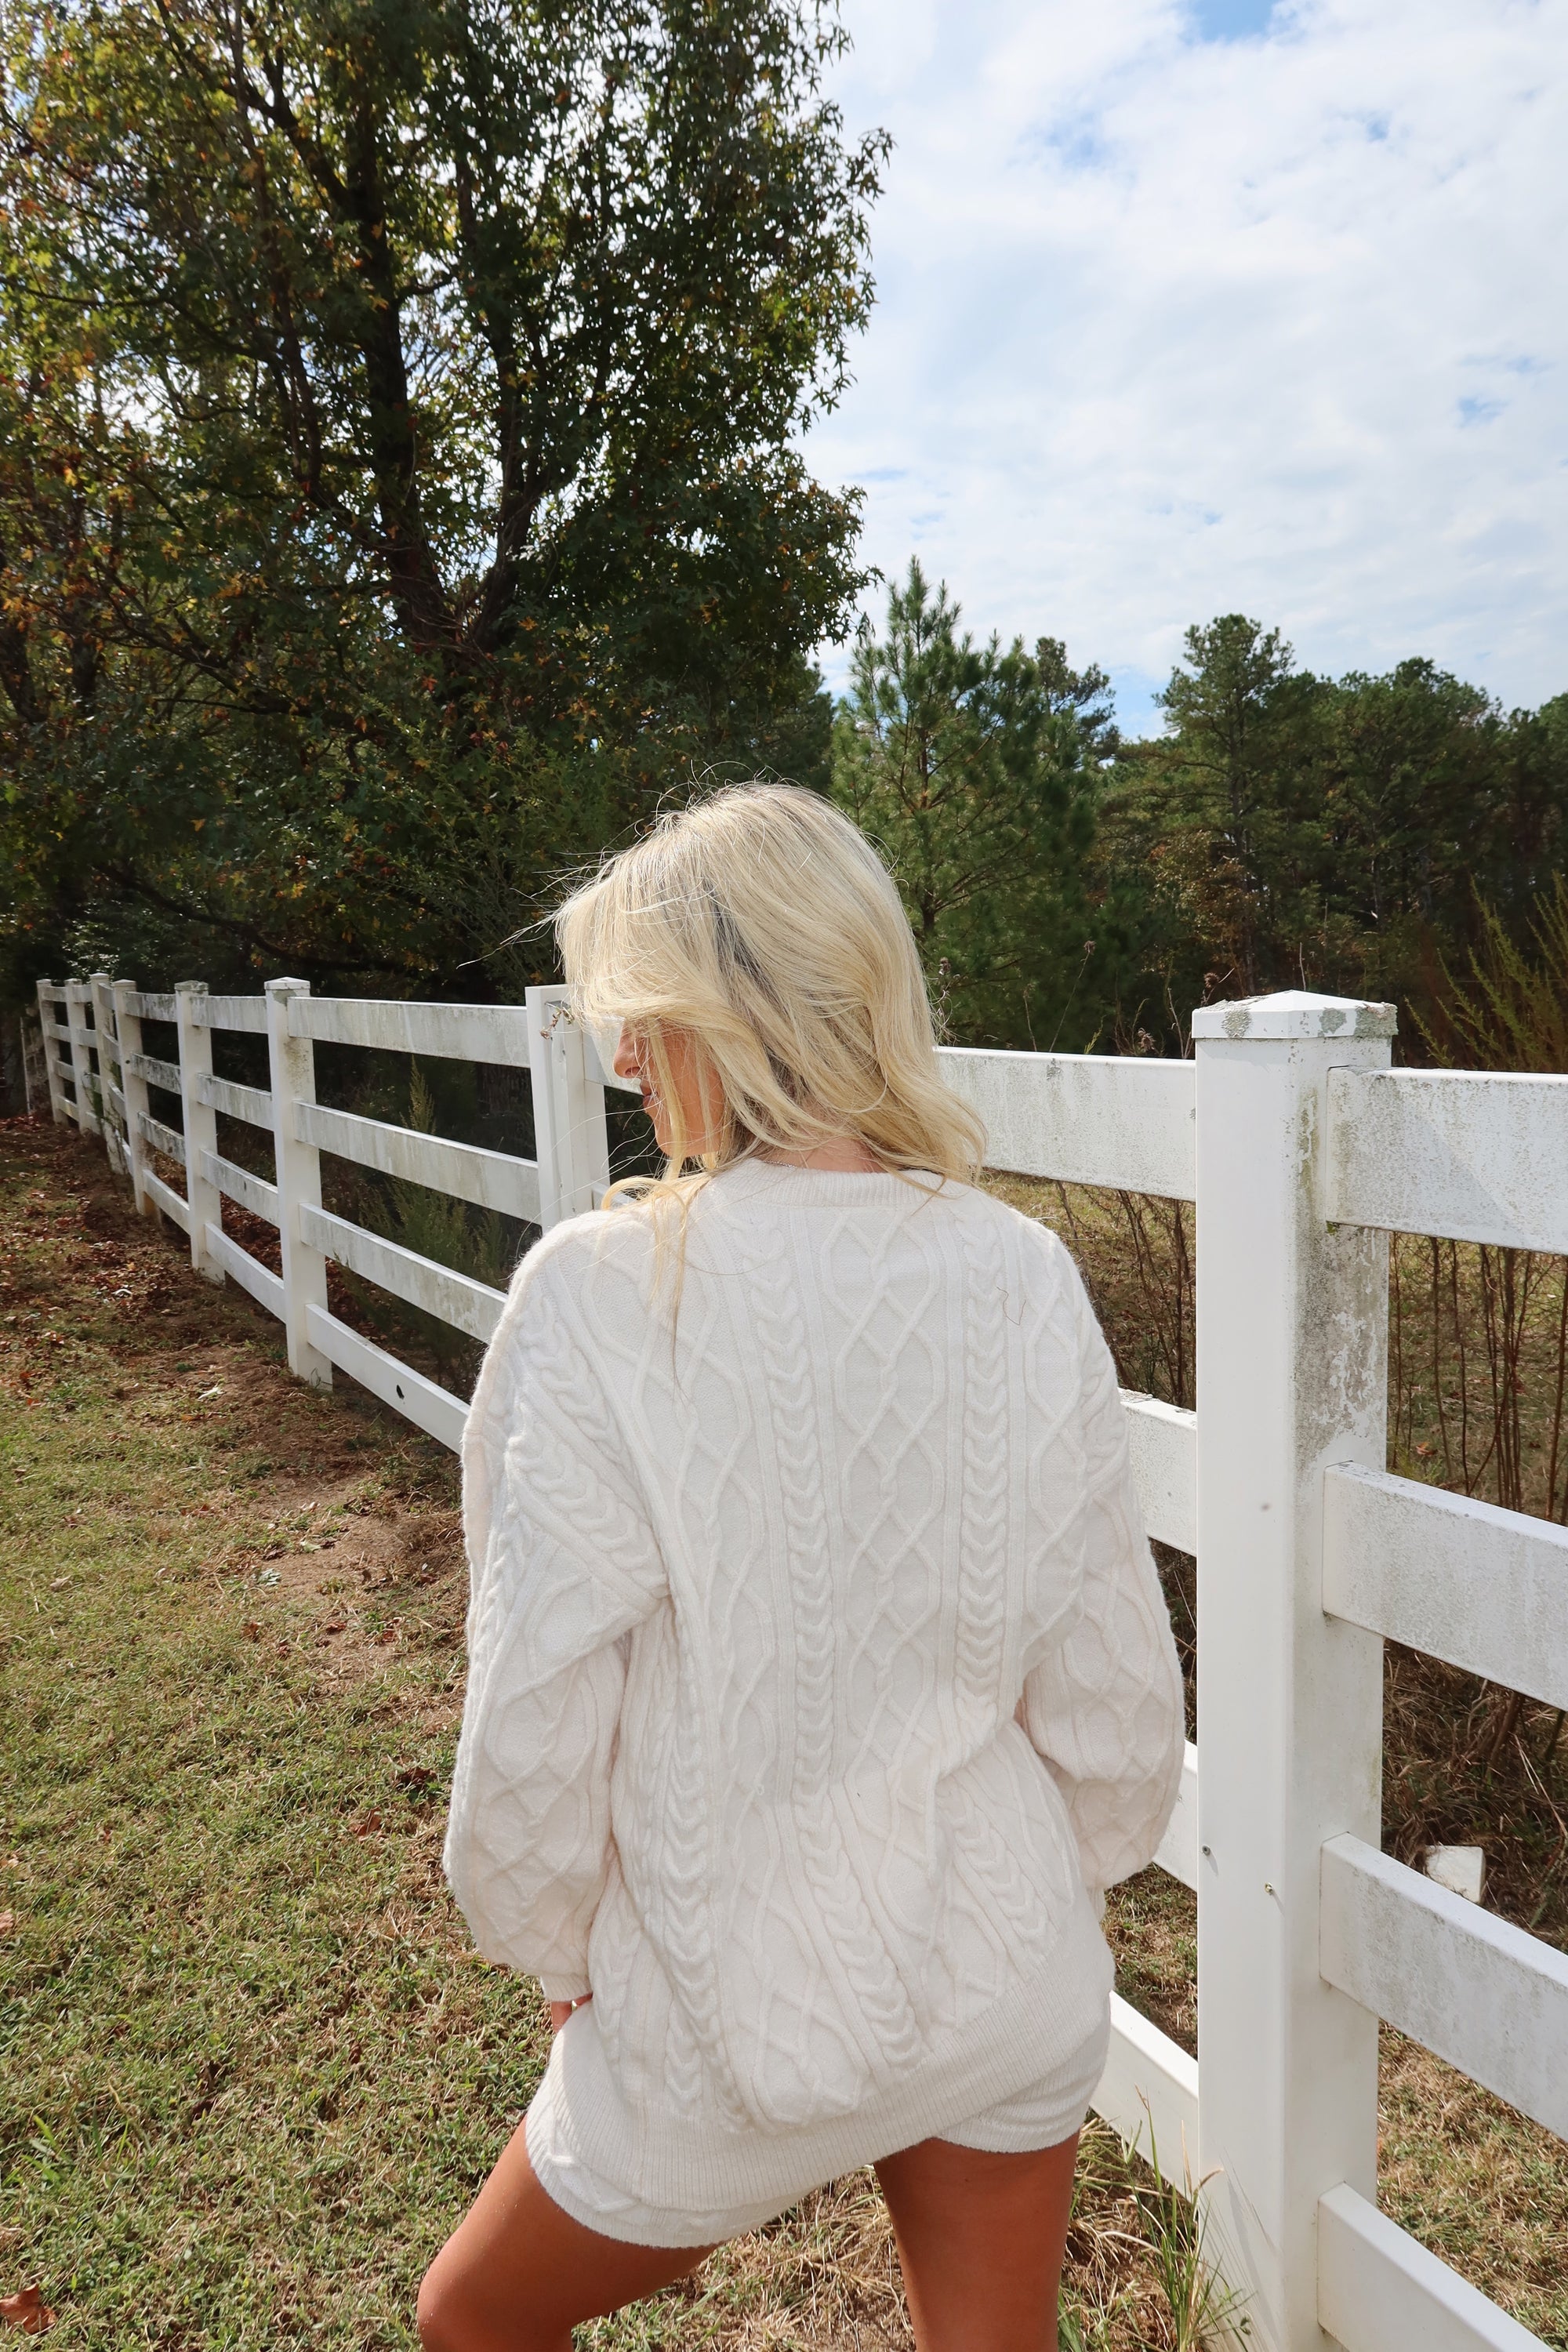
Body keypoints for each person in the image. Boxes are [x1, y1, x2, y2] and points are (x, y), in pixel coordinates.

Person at [419, 784, 1185, 2352]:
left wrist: (561, 1957)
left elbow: (537, 1710)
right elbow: (1111, 1681)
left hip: (718, 2030)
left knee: (468, 2323)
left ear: (733, 1011)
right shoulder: (1015, 1268)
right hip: (1006, 1976)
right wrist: (1047, 1884)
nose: (620, 1057)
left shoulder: (599, 1295)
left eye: (637, 1015)